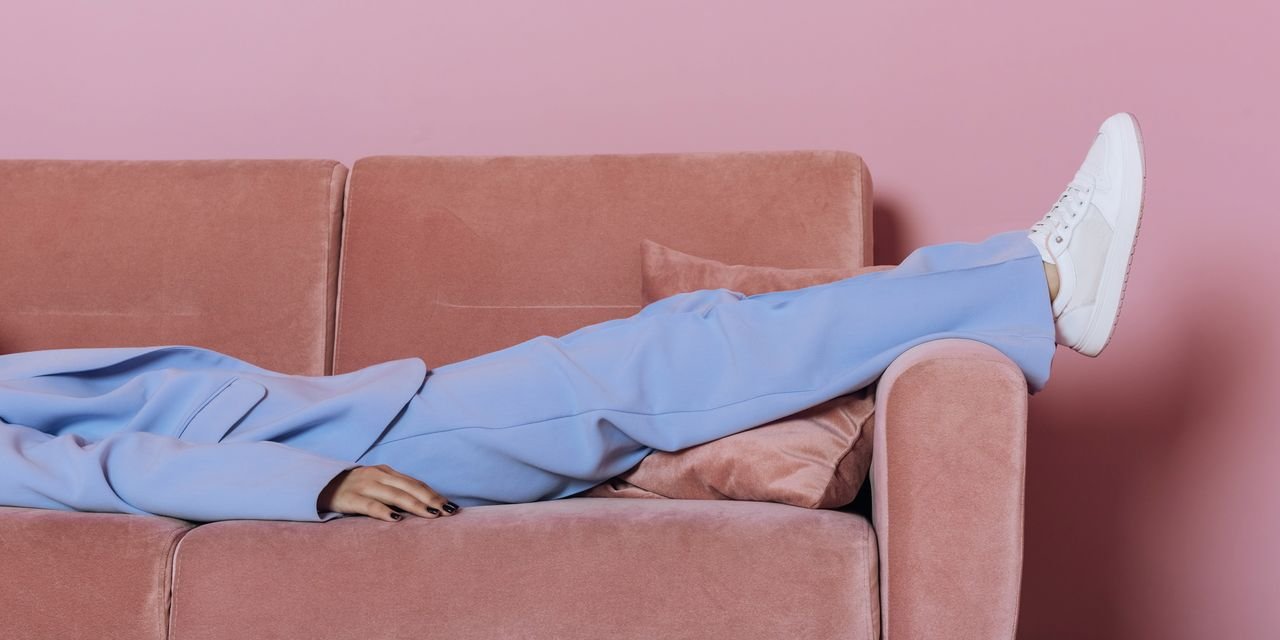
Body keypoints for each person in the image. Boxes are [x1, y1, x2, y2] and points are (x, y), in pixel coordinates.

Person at [0, 112, 1146, 525]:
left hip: (375, 417)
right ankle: (1037, 280)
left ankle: (1012, 276)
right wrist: (313, 485)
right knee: (671, 354)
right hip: (363, 443)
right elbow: (101, 471)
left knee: (682, 343)